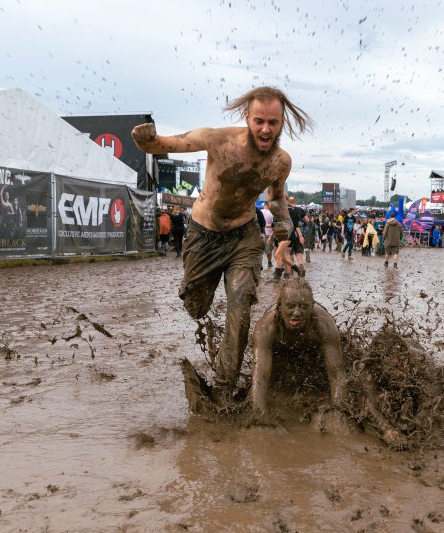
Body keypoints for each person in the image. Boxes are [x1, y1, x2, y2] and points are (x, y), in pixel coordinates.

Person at [132, 86, 312, 401]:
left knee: (241, 304)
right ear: (247, 118)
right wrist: (144, 139)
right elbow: (165, 144)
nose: (266, 129)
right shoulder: (219, 140)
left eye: (273, 122)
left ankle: (226, 385)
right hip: (204, 234)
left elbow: (276, 198)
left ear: (282, 122)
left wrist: (284, 221)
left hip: (244, 236)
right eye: (259, 121)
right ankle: (195, 297)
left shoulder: (281, 162)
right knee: (196, 307)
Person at [249, 279, 405, 448]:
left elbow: (337, 374)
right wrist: (261, 416)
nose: (296, 313)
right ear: (279, 305)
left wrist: (338, 411)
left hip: (312, 350)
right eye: (291, 306)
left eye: (303, 307)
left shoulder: (324, 324)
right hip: (279, 351)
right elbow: (260, 377)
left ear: (312, 306)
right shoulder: (265, 328)